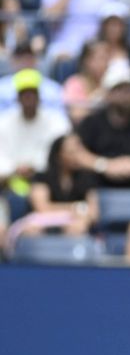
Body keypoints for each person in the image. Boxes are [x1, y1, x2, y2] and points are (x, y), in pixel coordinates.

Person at [0, 69, 71, 222]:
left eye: (32, 93)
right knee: (14, 200)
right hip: (8, 184)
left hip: (48, 181)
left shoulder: (56, 120)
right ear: (17, 97)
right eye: (24, 94)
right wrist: (14, 169)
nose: (28, 98)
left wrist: (35, 167)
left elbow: (62, 152)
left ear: (39, 96)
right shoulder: (4, 122)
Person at [18, 134, 99, 238]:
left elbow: (93, 212)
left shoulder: (88, 178)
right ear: (58, 155)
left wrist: (83, 219)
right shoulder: (41, 177)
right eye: (71, 152)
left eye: (79, 151)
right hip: (44, 222)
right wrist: (76, 208)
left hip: (73, 221)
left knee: (78, 227)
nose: (77, 156)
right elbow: (42, 208)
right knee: (32, 229)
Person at [0, 42, 65, 113]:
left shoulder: (53, 89)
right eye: (20, 58)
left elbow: (59, 117)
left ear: (36, 60)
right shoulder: (2, 88)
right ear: (13, 61)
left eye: (28, 58)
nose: (24, 62)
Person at [62, 39, 110, 122]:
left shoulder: (112, 83)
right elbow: (76, 115)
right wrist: (98, 98)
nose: (104, 63)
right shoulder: (73, 83)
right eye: (100, 58)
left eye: (106, 59)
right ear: (86, 61)